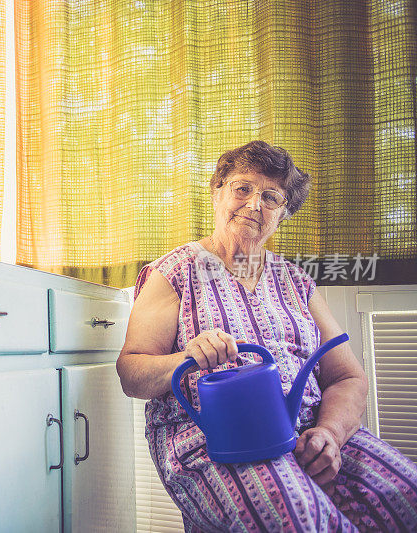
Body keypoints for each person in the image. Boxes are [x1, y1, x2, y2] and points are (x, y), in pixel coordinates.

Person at [117, 141, 417, 531]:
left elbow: (347, 376)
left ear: (283, 214)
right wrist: (185, 358)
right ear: (217, 191)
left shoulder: (297, 281)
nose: (254, 204)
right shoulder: (175, 271)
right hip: (216, 436)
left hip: (308, 429)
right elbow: (131, 373)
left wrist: (329, 433)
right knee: (300, 519)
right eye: (242, 188)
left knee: (406, 494)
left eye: (271, 197)